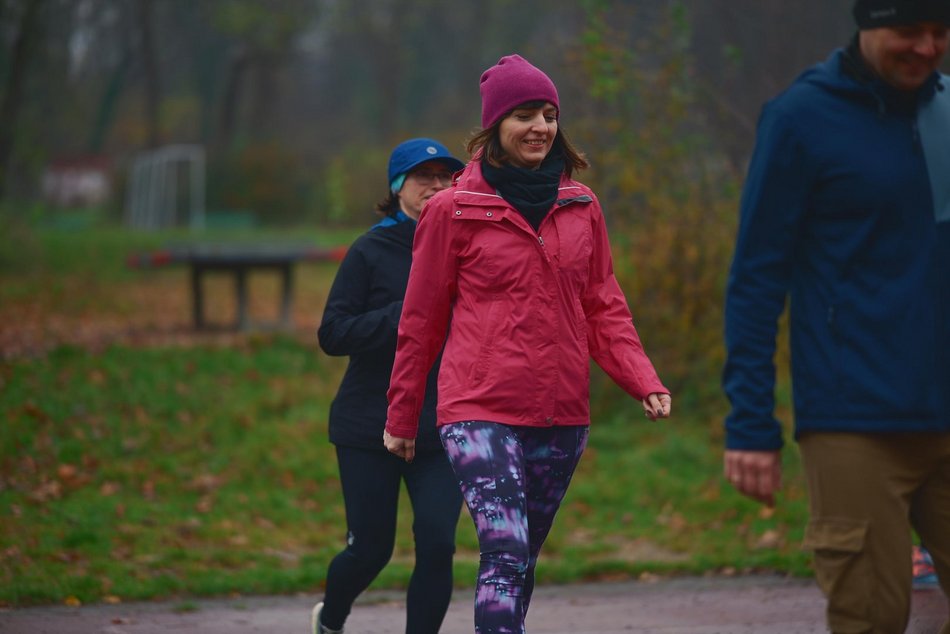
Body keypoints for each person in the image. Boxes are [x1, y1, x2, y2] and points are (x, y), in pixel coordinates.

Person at [383, 54, 671, 633]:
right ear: (494, 129)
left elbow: (603, 304)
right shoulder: (452, 210)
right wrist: (404, 415)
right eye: (523, 115)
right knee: (506, 547)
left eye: (548, 113)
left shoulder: (582, 206)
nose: (539, 126)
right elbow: (421, 320)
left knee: (522, 558)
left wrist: (643, 378)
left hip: (561, 410)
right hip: (479, 405)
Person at [722, 1, 950, 632]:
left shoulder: (948, 112)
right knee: (870, 616)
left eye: (941, 31)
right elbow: (757, 278)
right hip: (855, 420)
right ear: (869, 24)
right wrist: (750, 420)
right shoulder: (802, 119)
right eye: (910, 31)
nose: (929, 47)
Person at [312, 138, 466, 634]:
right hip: (368, 424)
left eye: (447, 177)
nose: (438, 186)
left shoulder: (465, 246)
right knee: (371, 551)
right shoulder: (370, 250)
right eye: (425, 177)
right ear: (398, 186)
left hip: (441, 423)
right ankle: (331, 619)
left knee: (439, 542)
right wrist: (407, 318)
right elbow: (332, 334)